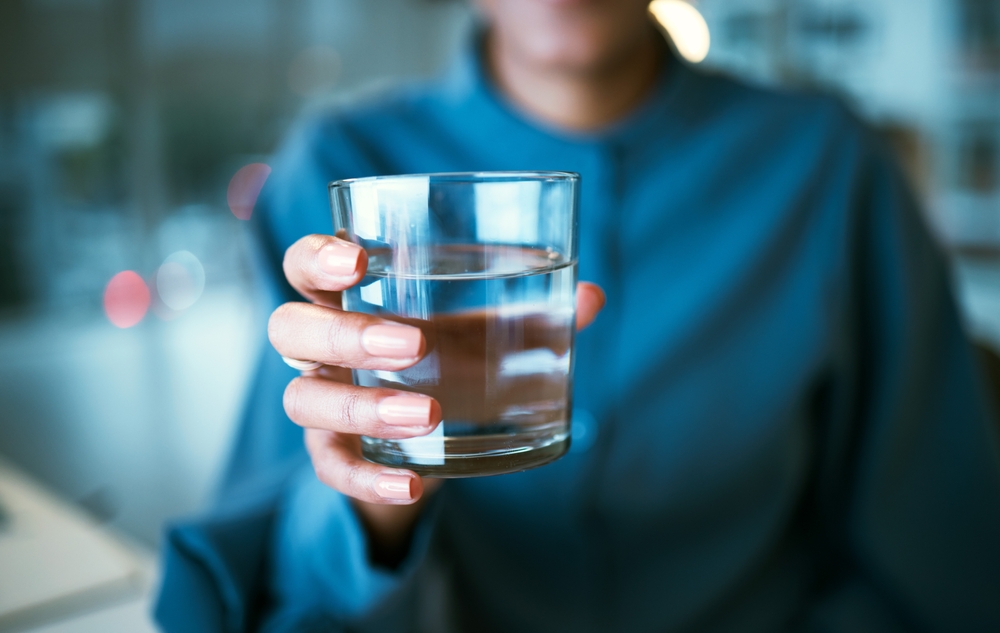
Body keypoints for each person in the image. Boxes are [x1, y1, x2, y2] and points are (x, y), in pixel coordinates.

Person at [155, 1, 1000, 631]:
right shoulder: (339, 166)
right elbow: (280, 578)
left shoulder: (830, 165)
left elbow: (941, 547)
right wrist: (373, 496)